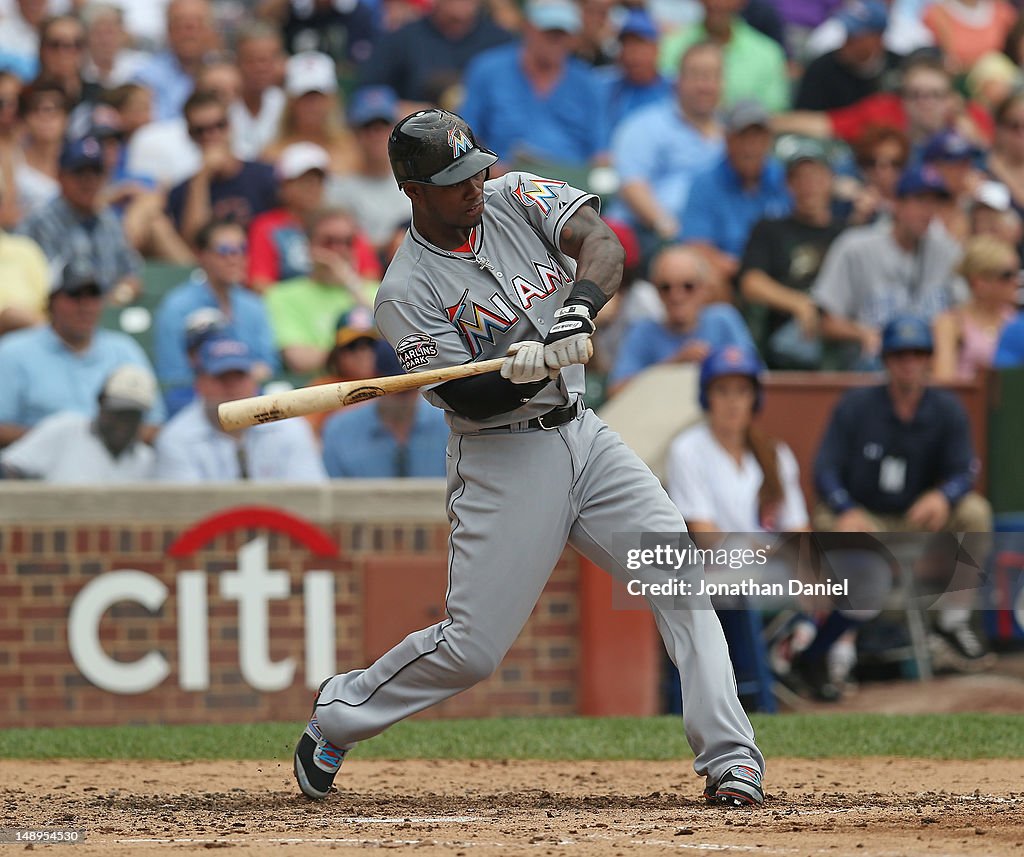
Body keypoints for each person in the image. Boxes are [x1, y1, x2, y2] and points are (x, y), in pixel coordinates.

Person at [292, 108, 766, 807]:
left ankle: (730, 758)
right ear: (413, 190)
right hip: (503, 456)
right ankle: (338, 713)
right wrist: (523, 366)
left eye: (473, 169)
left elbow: (602, 242)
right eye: (453, 180)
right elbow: (471, 401)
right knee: (472, 650)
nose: (473, 186)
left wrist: (576, 310)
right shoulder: (404, 293)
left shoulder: (514, 195)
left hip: (586, 434)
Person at [666, 346, 861, 701]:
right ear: (706, 396)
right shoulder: (688, 449)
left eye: (742, 391)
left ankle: (804, 654)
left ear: (755, 397)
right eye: (722, 391)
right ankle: (783, 653)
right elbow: (707, 536)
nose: (733, 402)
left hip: (768, 568)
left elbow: (798, 529)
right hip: (713, 575)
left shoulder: (774, 452)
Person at [814, 315, 997, 673]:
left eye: (917, 353)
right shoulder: (855, 405)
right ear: (885, 360)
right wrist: (845, 507)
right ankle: (841, 640)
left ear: (929, 358)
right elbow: (824, 469)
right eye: (900, 354)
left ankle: (953, 620)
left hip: (917, 516)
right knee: (831, 521)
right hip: (864, 514)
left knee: (975, 511)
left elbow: (966, 471)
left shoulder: (947, 409)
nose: (909, 363)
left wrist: (944, 495)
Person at [811, 166, 963, 369]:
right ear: (896, 204)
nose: (928, 212)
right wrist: (861, 333)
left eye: (934, 203)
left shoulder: (947, 251)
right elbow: (826, 323)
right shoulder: (855, 247)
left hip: (929, 360)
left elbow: (966, 314)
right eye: (920, 201)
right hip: (875, 361)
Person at [0, 262, 164, 448]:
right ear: (52, 301)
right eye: (74, 296)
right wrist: (59, 441)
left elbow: (154, 425)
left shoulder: (124, 350)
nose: (85, 306)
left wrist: (103, 441)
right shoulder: (14, 351)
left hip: (114, 464)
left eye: (93, 296)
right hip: (40, 467)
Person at [457, 0, 610, 171]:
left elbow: (600, 152)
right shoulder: (488, 69)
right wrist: (487, 171)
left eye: (563, 34)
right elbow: (467, 138)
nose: (556, 41)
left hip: (570, 186)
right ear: (528, 28)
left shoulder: (588, 82)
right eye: (549, 33)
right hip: (503, 183)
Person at [154, 336, 327, 482]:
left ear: (253, 381)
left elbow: (308, 499)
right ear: (200, 384)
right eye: (222, 378)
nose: (232, 387)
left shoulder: (289, 427)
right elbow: (185, 513)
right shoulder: (176, 438)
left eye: (239, 377)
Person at [739, 139, 845, 369]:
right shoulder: (769, 229)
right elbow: (751, 283)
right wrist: (798, 303)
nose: (809, 186)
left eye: (816, 176)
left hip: (840, 327)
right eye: (800, 178)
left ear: (830, 180)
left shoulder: (847, 233)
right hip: (790, 333)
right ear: (788, 185)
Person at [154, 218, 278, 415]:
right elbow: (174, 376)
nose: (234, 258)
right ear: (202, 256)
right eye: (224, 250)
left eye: (241, 249)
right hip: (196, 405)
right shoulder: (177, 307)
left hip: (252, 402)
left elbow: (269, 364)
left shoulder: (254, 305)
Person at [610, 41, 724, 253]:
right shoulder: (645, 124)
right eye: (696, 75)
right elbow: (632, 186)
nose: (705, 86)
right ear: (678, 80)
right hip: (647, 235)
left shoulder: (729, 135)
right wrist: (669, 229)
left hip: (704, 240)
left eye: (712, 77)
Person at [608, 244, 756, 395]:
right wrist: (674, 364)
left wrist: (714, 363)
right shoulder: (643, 331)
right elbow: (616, 391)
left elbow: (756, 375)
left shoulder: (723, 320)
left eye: (688, 286)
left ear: (704, 289)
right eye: (666, 287)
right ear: (656, 292)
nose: (677, 296)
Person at [17, 134, 143, 306]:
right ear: (60, 176)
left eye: (96, 172)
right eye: (80, 173)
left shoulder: (109, 219)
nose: (89, 181)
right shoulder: (42, 221)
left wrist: (121, 294)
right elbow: (48, 286)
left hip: (107, 315)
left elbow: (132, 271)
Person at [679, 99, 792, 279]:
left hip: (783, 274)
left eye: (758, 137)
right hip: (730, 278)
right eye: (743, 137)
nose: (751, 147)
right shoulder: (705, 184)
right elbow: (696, 246)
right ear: (727, 139)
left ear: (769, 141)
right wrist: (748, 272)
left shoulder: (784, 179)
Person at [265, 208, 379, 378]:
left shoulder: (376, 290)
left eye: (347, 242)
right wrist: (358, 355)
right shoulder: (282, 295)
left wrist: (350, 283)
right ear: (309, 246)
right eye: (329, 242)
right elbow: (299, 360)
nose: (339, 250)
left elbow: (395, 347)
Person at [0, 363, 157, 482]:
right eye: (117, 413)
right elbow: (9, 469)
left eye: (132, 415)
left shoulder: (146, 460)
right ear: (100, 402)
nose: (123, 424)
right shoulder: (64, 429)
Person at [166, 89, 278, 246]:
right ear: (190, 135)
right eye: (200, 130)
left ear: (230, 125)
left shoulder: (264, 175)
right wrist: (202, 178)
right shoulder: (182, 191)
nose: (211, 135)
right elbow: (195, 244)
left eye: (219, 125)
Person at [357, 0, 514, 110]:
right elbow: (367, 97)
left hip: (487, 141)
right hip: (420, 139)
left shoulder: (502, 43)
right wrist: (401, 109)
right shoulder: (402, 39)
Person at [321, 344, 449, 478]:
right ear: (375, 379)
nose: (404, 397)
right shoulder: (340, 430)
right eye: (395, 389)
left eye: (413, 387)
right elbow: (333, 494)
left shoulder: (449, 424)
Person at [323, 86, 411, 263]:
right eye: (368, 127)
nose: (376, 135)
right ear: (355, 133)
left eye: (383, 126)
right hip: (362, 271)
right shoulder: (338, 188)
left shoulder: (416, 181)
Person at [658, 0, 789, 112]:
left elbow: (773, 113)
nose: (717, 3)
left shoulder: (767, 53)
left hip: (744, 136)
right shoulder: (670, 46)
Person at [932, 234, 1018, 381]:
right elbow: (944, 381)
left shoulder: (1016, 321)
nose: (1015, 281)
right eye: (1007, 275)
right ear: (979, 282)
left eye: (1017, 273)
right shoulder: (950, 323)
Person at [247, 142, 329, 291]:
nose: (313, 188)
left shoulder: (337, 223)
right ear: (283, 186)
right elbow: (260, 284)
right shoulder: (266, 227)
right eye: (304, 181)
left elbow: (368, 274)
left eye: (319, 181)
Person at [794, 0, 900, 112]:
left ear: (878, 39)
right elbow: (803, 116)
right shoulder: (822, 69)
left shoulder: (898, 67)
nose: (847, 42)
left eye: (855, 37)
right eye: (847, 34)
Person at [133, 0, 219, 121]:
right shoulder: (145, 80)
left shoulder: (225, 76)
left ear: (211, 31)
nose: (190, 33)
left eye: (197, 23)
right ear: (168, 30)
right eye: (181, 24)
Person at [597, 7, 672, 131]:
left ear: (656, 49)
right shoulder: (604, 86)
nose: (634, 55)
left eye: (640, 46)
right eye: (627, 46)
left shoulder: (675, 89)